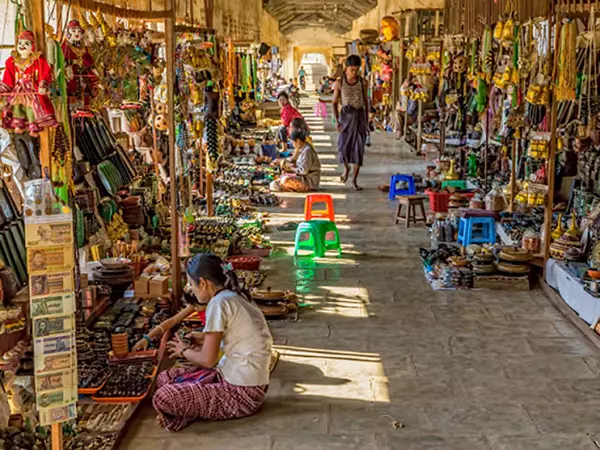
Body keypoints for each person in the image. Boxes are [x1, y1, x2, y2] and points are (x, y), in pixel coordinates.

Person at [134, 254, 273, 432]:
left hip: (242, 393)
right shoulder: (235, 296)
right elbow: (237, 342)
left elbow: (208, 360)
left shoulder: (218, 302)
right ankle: (187, 409)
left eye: (192, 285)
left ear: (203, 283)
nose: (193, 290)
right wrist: (202, 341)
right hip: (235, 377)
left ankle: (185, 412)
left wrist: (183, 351)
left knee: (163, 397)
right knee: (165, 378)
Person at [333, 54, 369, 191]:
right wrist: (337, 121)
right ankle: (346, 168)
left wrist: (366, 121)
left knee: (358, 149)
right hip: (346, 118)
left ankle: (354, 180)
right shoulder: (340, 83)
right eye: (351, 70)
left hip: (359, 118)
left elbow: (366, 102)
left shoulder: (363, 82)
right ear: (346, 68)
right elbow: (335, 102)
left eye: (356, 70)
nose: (354, 73)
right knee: (343, 147)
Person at [272, 118, 321, 192]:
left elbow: (303, 171)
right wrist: (287, 166)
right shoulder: (303, 147)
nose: (293, 145)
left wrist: (291, 168)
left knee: (285, 180)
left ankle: (285, 186)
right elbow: (294, 161)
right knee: (283, 175)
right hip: (304, 177)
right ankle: (283, 185)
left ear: (298, 141)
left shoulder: (307, 151)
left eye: (293, 143)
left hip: (309, 182)